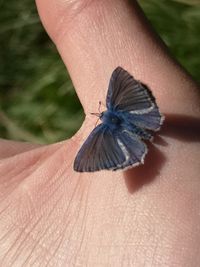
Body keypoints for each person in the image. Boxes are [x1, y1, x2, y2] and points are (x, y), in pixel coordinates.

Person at [0, 0, 200, 266]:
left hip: (127, 140)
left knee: (128, 142)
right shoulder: (116, 91)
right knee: (139, 121)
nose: (100, 113)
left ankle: (133, 148)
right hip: (143, 117)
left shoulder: (98, 136)